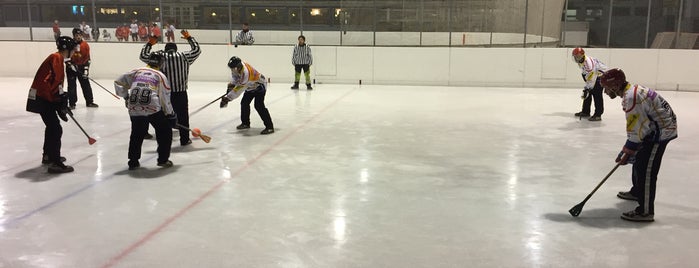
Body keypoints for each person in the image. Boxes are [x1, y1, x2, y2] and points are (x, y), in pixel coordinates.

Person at [599, 68, 678, 222]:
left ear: (615, 86)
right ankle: (637, 192)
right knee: (638, 162)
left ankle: (645, 211)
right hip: (652, 128)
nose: (605, 92)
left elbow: (637, 129)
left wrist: (628, 149)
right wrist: (629, 150)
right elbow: (638, 127)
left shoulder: (631, 98)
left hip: (660, 132)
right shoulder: (630, 92)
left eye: (606, 88)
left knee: (646, 171)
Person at [114, 53, 177, 170]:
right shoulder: (160, 75)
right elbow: (164, 97)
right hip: (151, 106)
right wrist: (170, 114)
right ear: (161, 63)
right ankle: (163, 160)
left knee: (137, 134)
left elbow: (118, 81)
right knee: (165, 132)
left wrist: (126, 97)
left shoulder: (136, 71)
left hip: (134, 106)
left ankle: (133, 161)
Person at [139, 30, 201, 145]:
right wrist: (189, 38)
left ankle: (164, 139)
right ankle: (184, 139)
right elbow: (197, 50)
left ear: (166, 49)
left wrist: (149, 44)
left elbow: (143, 55)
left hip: (163, 93)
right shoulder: (184, 56)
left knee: (162, 116)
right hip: (180, 92)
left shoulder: (160, 56)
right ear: (176, 49)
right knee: (183, 117)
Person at [25, 36, 77, 173]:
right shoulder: (56, 58)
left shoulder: (58, 59)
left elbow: (54, 82)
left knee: (52, 126)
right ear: (68, 49)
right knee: (55, 129)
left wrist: (59, 100)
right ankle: (55, 162)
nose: (74, 52)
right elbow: (53, 82)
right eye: (73, 49)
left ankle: (48, 156)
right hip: (43, 98)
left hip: (44, 97)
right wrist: (59, 100)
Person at [220, 56, 274, 135]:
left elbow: (239, 90)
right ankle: (245, 123)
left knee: (259, 106)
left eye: (233, 68)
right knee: (244, 103)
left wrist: (228, 98)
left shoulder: (246, 74)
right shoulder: (236, 68)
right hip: (250, 86)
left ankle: (270, 127)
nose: (232, 70)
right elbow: (235, 79)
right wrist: (230, 87)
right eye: (231, 68)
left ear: (238, 67)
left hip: (259, 86)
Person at [572, 47, 609, 121]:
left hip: (601, 76)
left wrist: (587, 88)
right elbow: (587, 75)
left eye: (578, 56)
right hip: (594, 75)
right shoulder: (581, 61)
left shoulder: (589, 63)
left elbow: (592, 78)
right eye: (575, 56)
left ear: (583, 55)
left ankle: (598, 115)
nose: (577, 58)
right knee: (588, 93)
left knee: (596, 93)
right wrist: (587, 88)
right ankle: (586, 111)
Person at [66, 28, 98, 109]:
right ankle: (72, 103)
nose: (78, 37)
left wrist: (86, 70)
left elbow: (88, 58)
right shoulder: (69, 44)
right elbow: (65, 56)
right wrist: (70, 64)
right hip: (71, 68)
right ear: (74, 36)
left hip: (81, 67)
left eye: (80, 35)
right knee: (71, 86)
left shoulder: (85, 45)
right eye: (77, 35)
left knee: (86, 85)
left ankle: (89, 102)